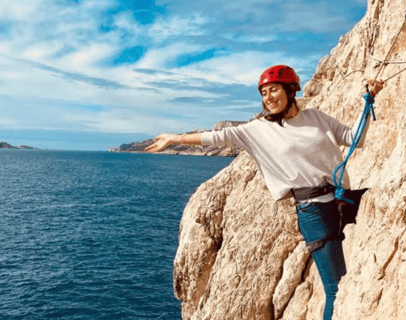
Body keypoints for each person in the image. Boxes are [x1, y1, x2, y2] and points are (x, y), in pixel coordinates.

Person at [146, 65, 383, 320]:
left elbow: (354, 138)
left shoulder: (316, 117)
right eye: (264, 92)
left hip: (341, 199)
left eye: (273, 90)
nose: (268, 97)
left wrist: (368, 101)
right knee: (334, 287)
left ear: (291, 91)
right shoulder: (258, 130)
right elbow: (216, 137)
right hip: (314, 211)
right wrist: (174, 138)